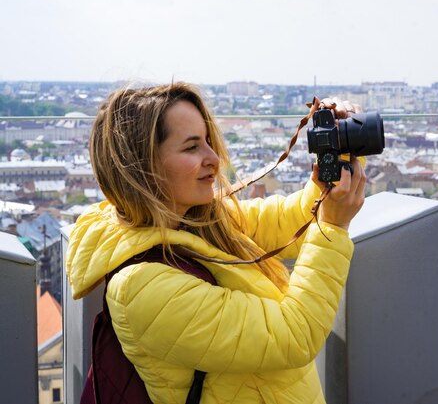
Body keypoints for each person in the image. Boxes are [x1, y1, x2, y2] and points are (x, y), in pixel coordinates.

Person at [66, 82, 366, 404]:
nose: (213, 157)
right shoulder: (143, 288)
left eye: (208, 141)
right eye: (192, 147)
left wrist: (336, 152)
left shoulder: (193, 220)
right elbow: (293, 335)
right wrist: (333, 225)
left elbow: (284, 221)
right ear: (142, 168)